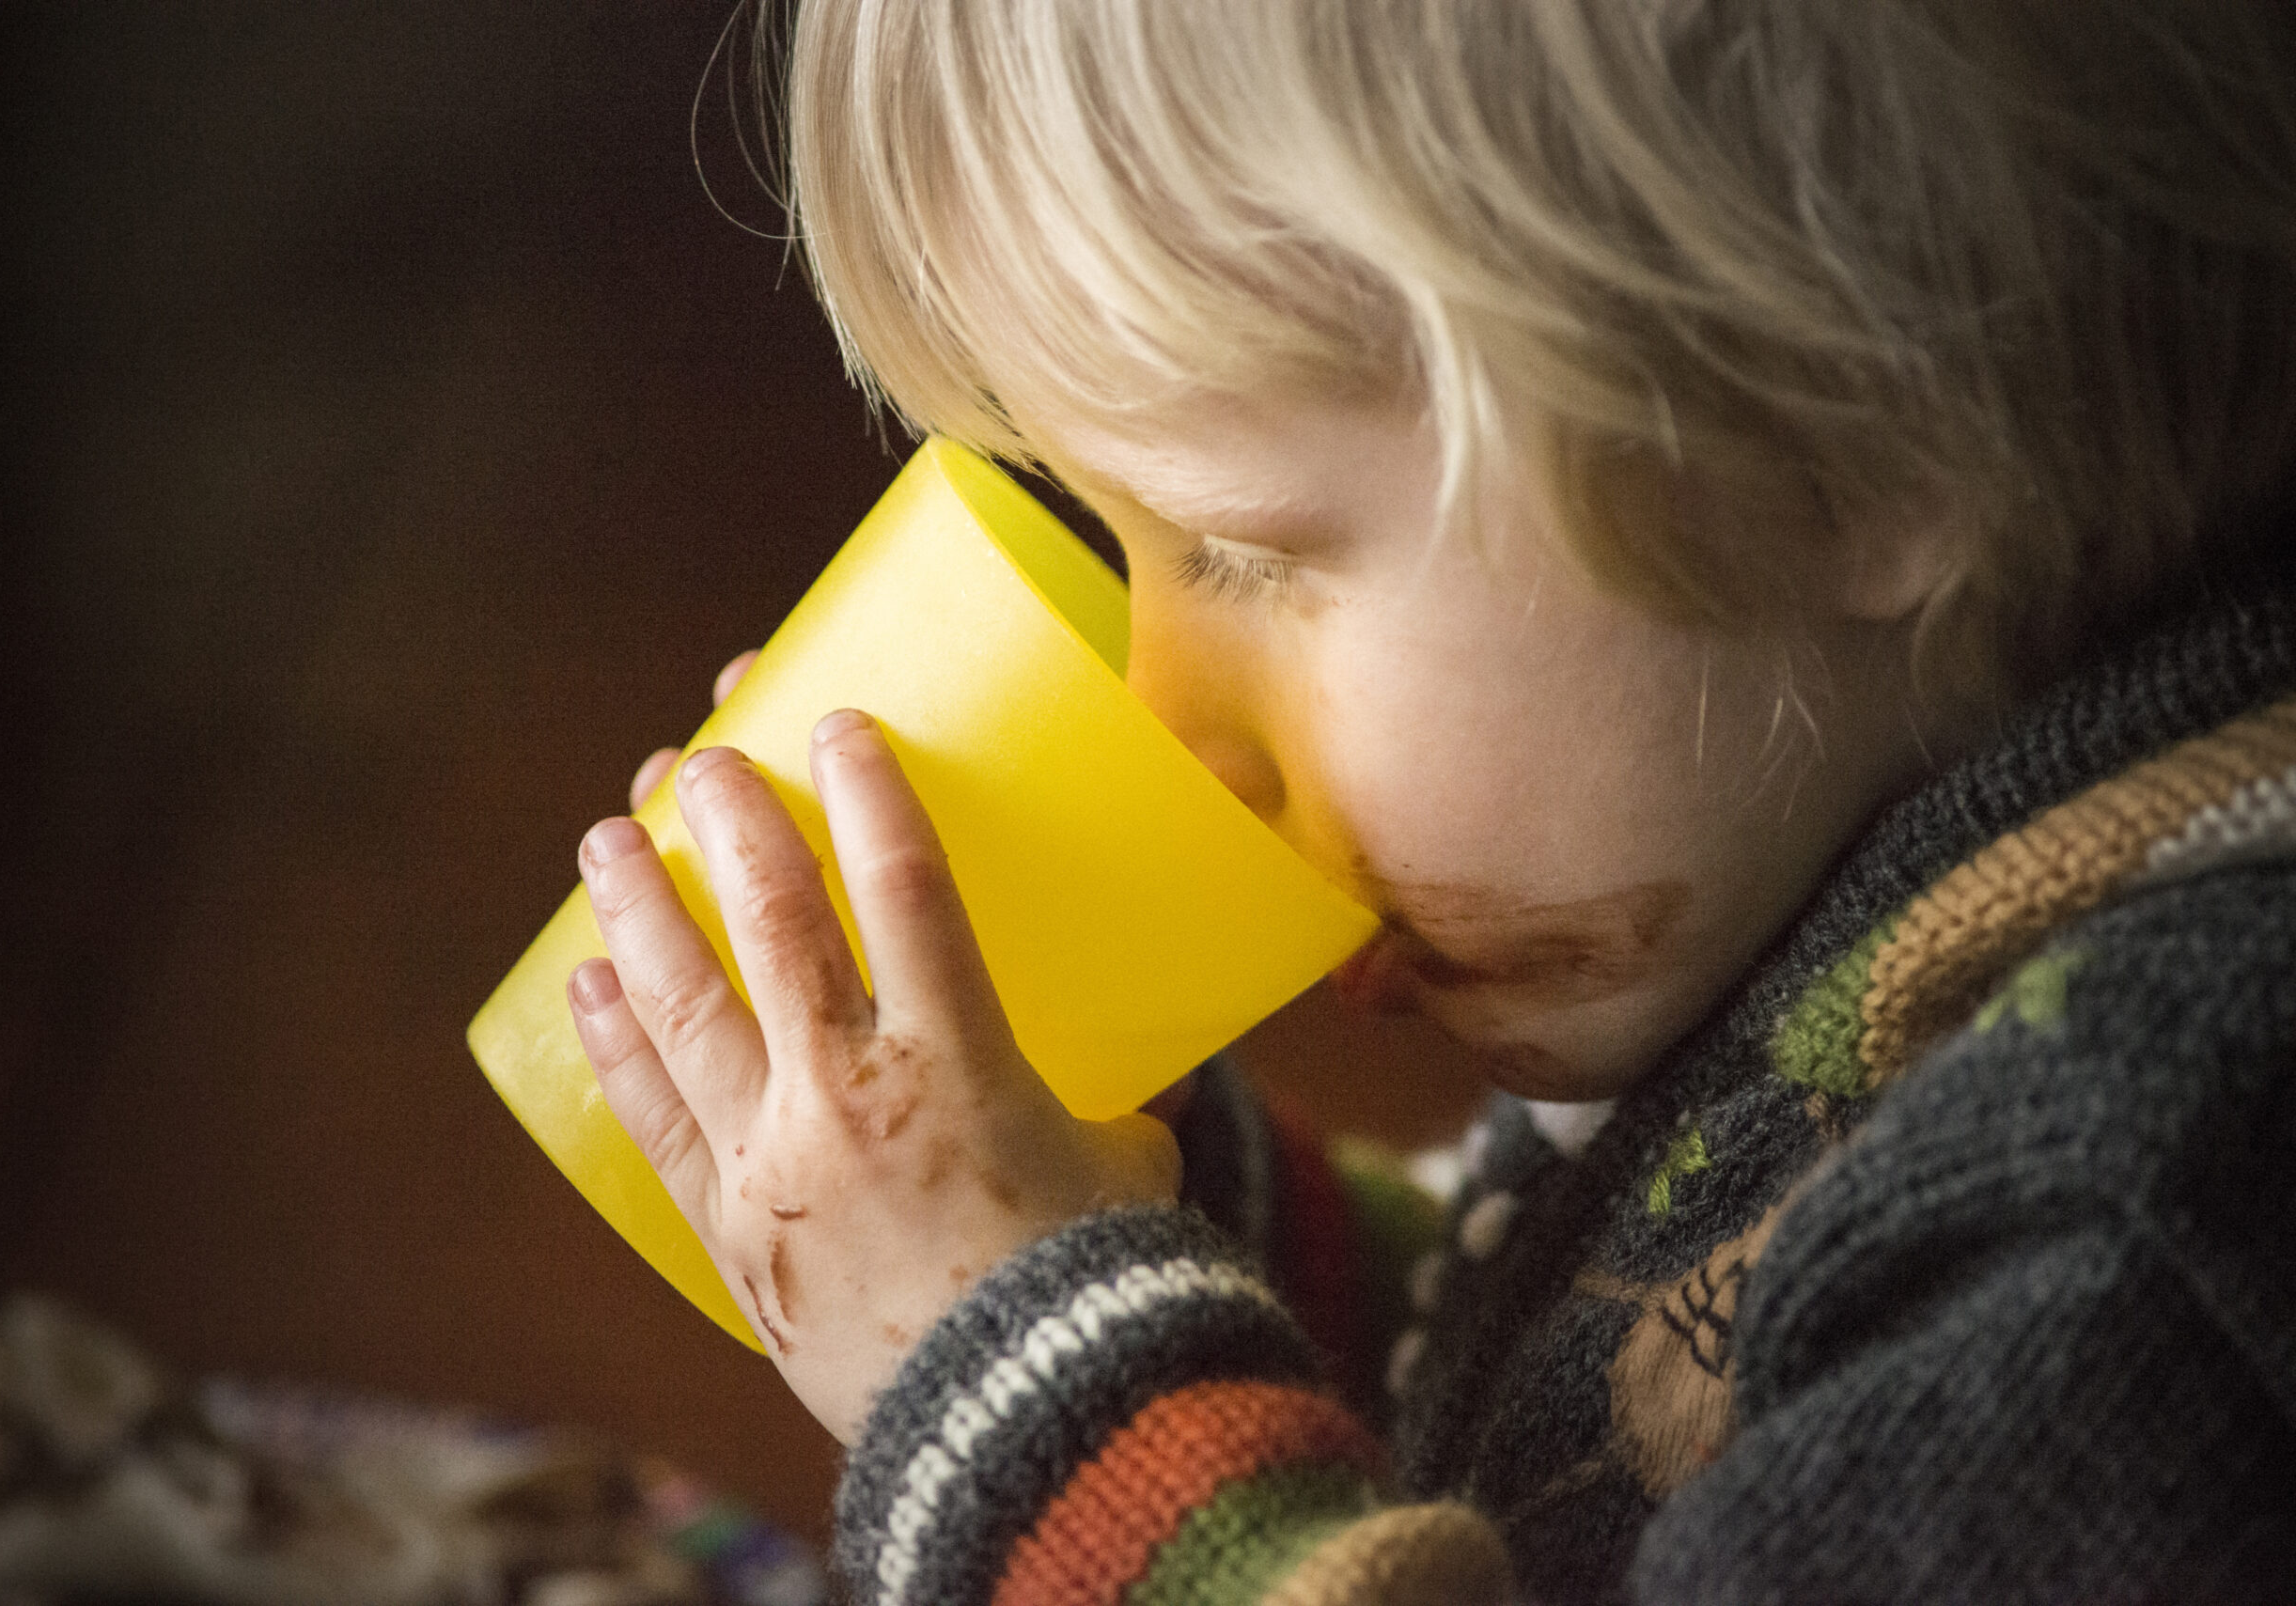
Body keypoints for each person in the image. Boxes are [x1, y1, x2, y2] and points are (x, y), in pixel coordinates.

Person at [562, 2, 2296, 1599]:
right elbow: (1588, 1400)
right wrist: (1127, 1187)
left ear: (1847, 448)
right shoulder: (1846, 859)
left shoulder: (2132, 1239)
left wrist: (1025, 1380)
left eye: (1244, 550)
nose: (1164, 717)